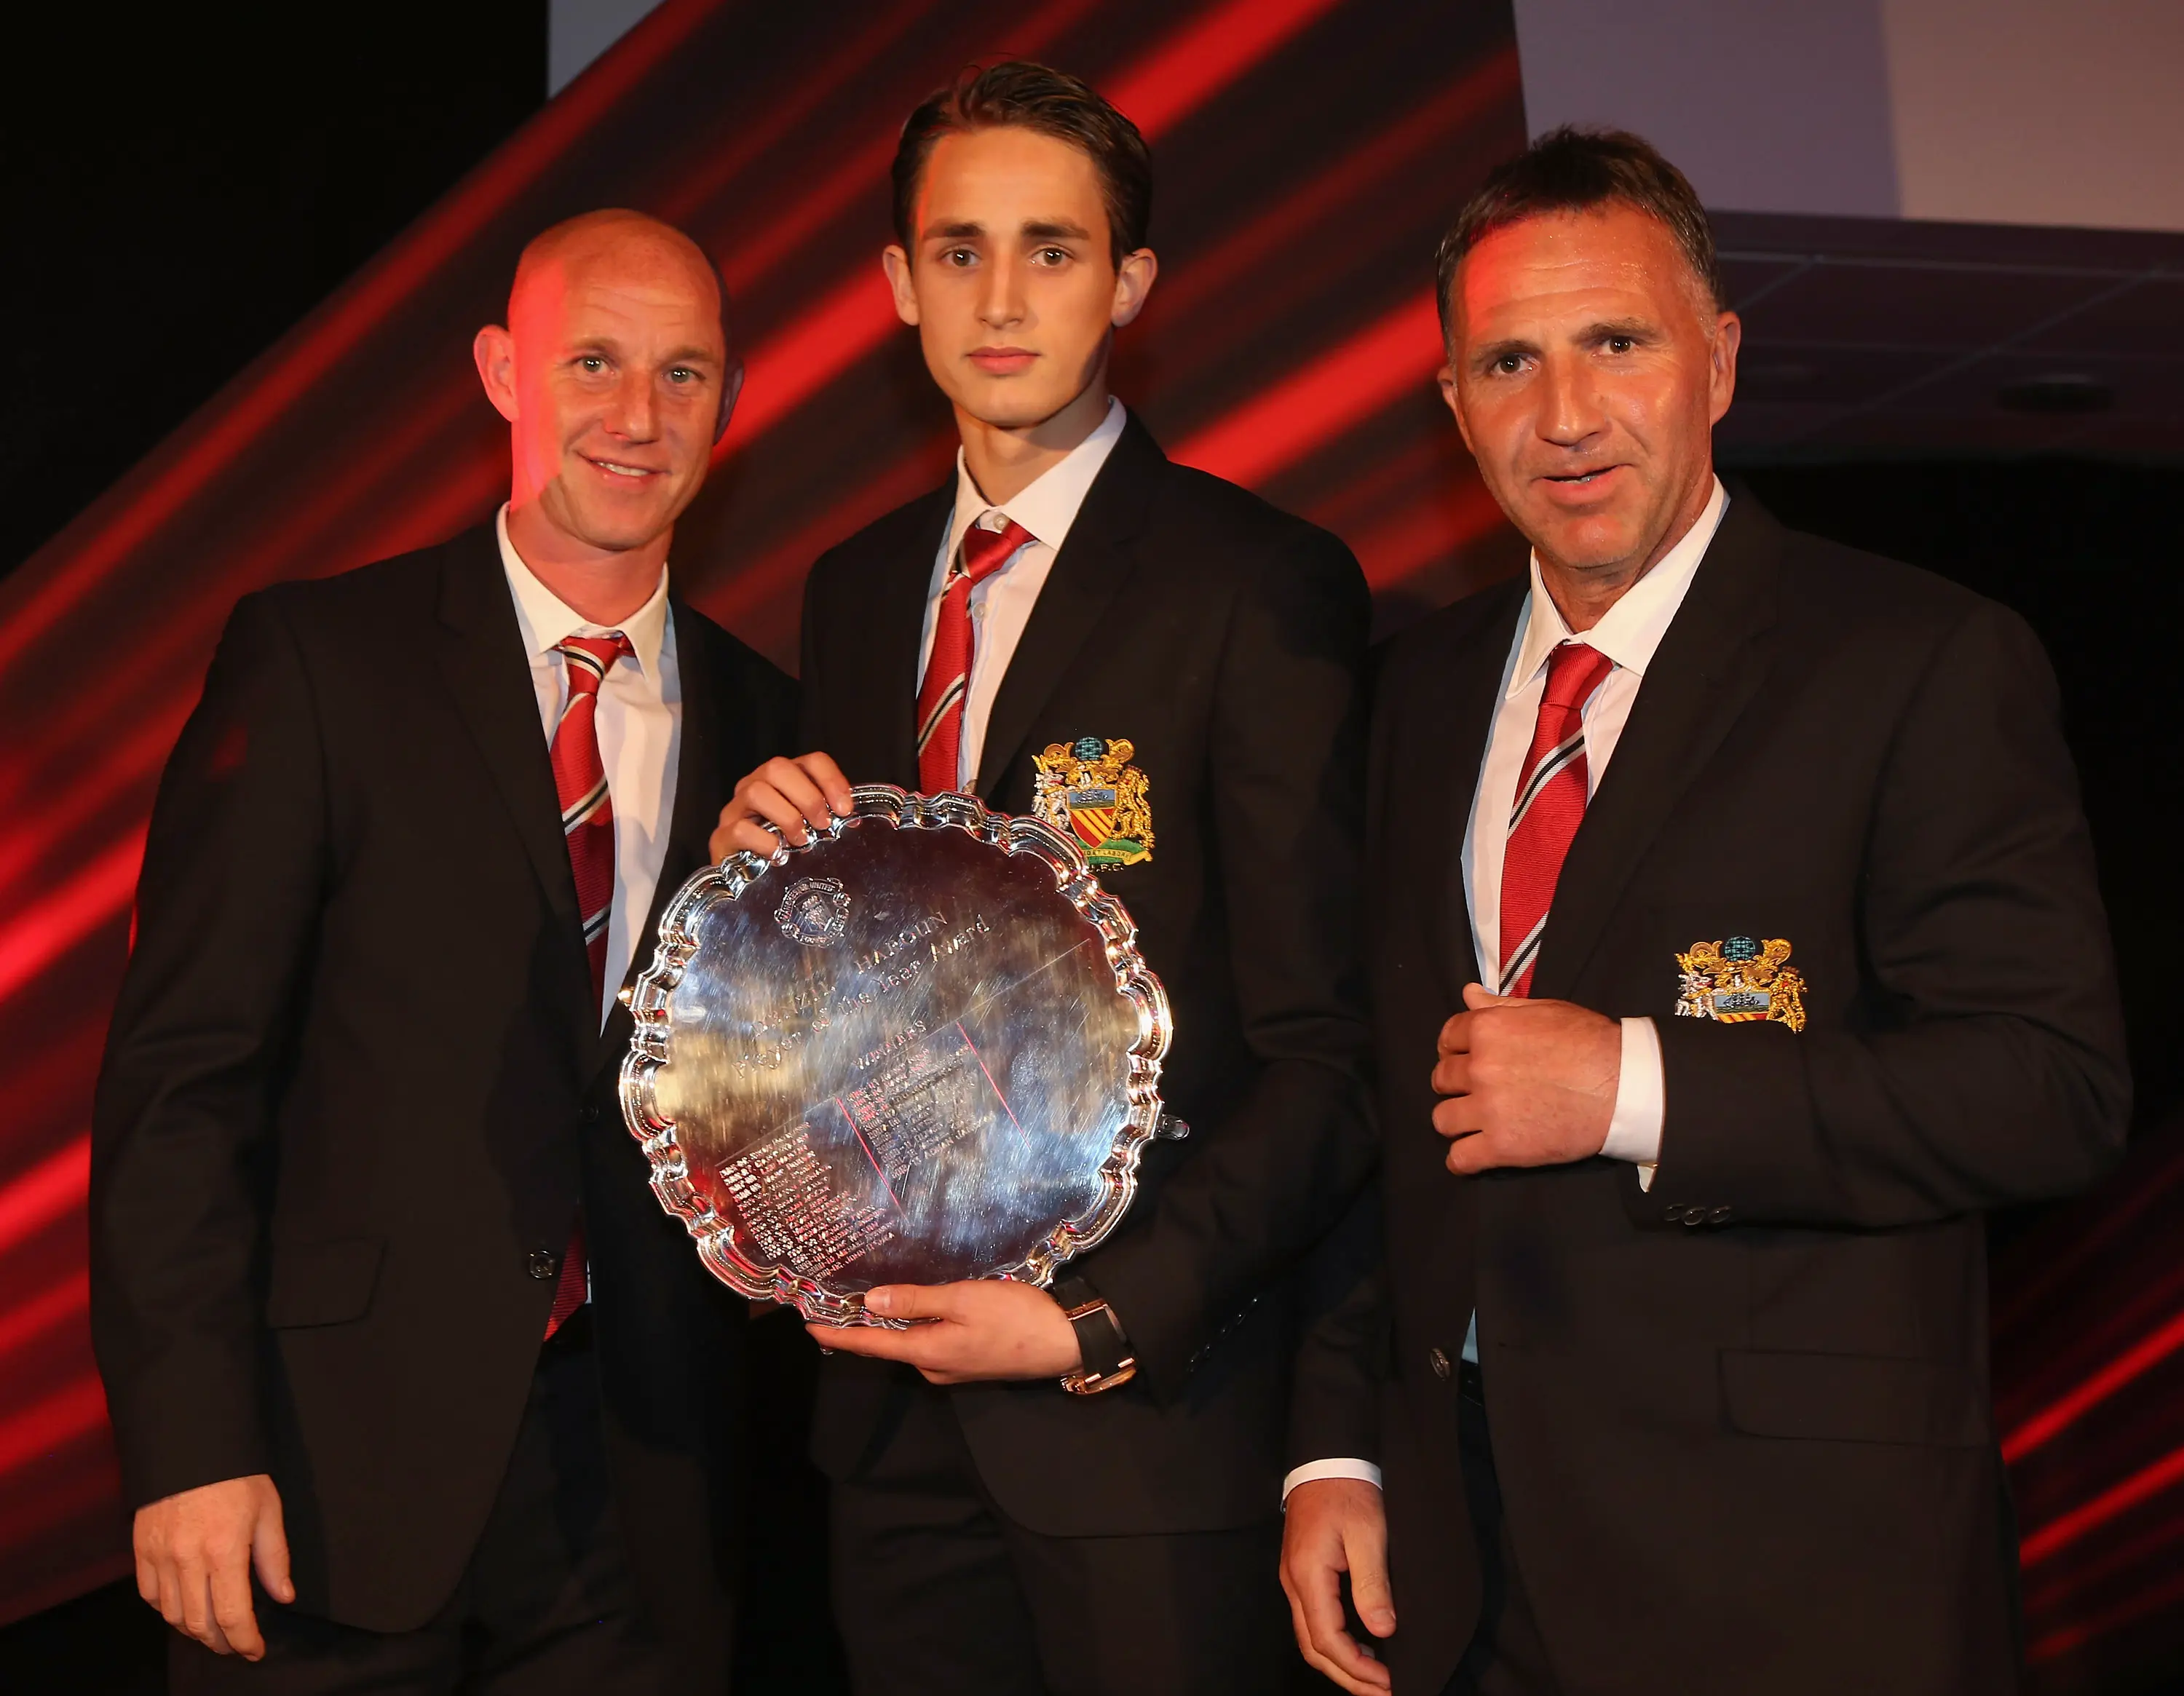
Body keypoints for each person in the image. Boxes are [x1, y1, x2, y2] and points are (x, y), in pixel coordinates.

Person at [1278, 128, 2131, 1696]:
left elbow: (2050, 1089)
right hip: (1467, 1573)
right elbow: (1375, 1111)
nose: (1569, 413)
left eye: (1619, 342)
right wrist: (1337, 1451)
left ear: (1720, 362)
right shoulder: (1413, 694)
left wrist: (1635, 1087)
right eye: (1511, 361)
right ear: (1456, 407)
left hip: (1793, 1579)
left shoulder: (1919, 660)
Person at [709, 61, 1374, 1696]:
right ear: (895, 286)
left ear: (1132, 286)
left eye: (1054, 251)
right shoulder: (858, 592)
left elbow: (1328, 1059)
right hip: (886, 1426)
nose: (1000, 300)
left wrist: (1096, 1320)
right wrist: (756, 886)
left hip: (1143, 1427)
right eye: (958, 250)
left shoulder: (1260, 585)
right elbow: (849, 999)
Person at [91, 209, 798, 1692]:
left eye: (684, 374)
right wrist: (189, 1448)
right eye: (592, 361)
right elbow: (183, 1084)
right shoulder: (318, 661)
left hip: (650, 1504)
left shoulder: (774, 723)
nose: (636, 415)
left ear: (730, 404)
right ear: (499, 370)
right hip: (320, 1476)